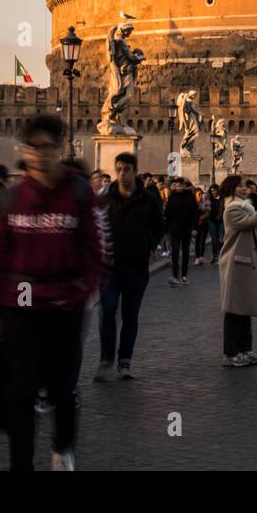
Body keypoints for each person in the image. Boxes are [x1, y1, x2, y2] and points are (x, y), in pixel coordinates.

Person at [0, 115, 103, 471]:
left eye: (48, 146)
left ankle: (62, 447)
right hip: (22, 301)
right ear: (25, 151)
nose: (41, 154)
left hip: (64, 303)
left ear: (60, 149)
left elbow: (97, 251)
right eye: (34, 147)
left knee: (62, 388)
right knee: (21, 391)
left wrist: (79, 291)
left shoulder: (79, 194)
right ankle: (22, 464)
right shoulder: (12, 197)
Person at [95, 152, 163, 381]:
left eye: (126, 169)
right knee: (107, 312)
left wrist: (150, 246)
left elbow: (159, 225)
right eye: (118, 169)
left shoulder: (149, 199)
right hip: (110, 267)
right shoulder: (105, 197)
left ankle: (125, 361)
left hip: (137, 267)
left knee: (130, 316)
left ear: (135, 171)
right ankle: (106, 359)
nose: (122, 174)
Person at [217, 176, 257, 366]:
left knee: (245, 310)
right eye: (239, 186)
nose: (244, 189)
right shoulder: (232, 209)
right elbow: (254, 222)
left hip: (246, 263)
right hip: (235, 263)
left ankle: (245, 349)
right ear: (231, 189)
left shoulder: (246, 206)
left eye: (244, 186)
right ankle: (230, 353)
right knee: (234, 311)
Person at [164, 176, 200, 286]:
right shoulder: (172, 196)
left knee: (185, 253)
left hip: (187, 229)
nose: (177, 187)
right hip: (174, 229)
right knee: (175, 252)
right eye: (176, 185)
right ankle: (175, 275)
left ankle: (184, 276)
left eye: (179, 185)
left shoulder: (190, 197)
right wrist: (165, 230)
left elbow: (195, 213)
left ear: (184, 186)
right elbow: (167, 213)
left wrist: (194, 228)